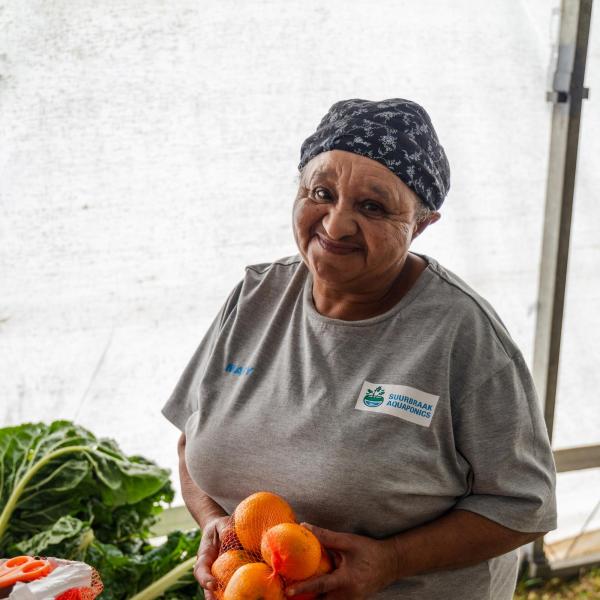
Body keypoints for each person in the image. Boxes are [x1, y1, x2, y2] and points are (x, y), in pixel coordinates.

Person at [162, 98, 557, 600]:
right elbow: (191, 441)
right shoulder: (255, 296)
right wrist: (217, 523)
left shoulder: (462, 335)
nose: (336, 224)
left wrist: (391, 562)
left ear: (421, 223)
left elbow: (526, 504)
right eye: (321, 192)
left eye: (372, 206)